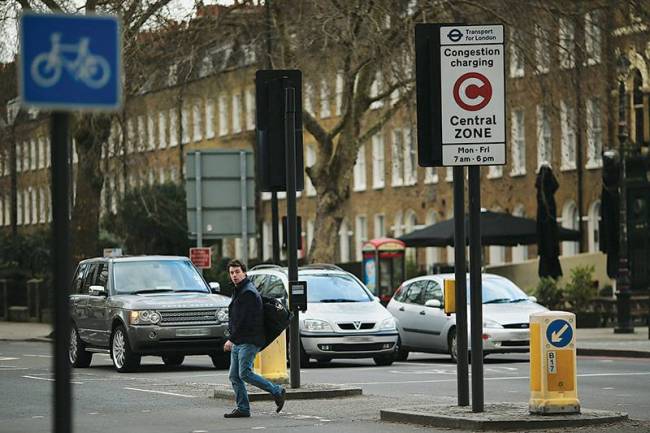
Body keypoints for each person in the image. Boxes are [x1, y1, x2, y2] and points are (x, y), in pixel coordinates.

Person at [223, 259, 286, 418]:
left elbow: (247, 321)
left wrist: (231, 339)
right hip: (240, 340)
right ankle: (243, 408)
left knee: (244, 373)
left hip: (249, 340)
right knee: (234, 376)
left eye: (237, 272)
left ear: (244, 272)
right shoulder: (239, 290)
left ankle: (277, 391)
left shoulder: (248, 292)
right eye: (232, 273)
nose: (235, 275)